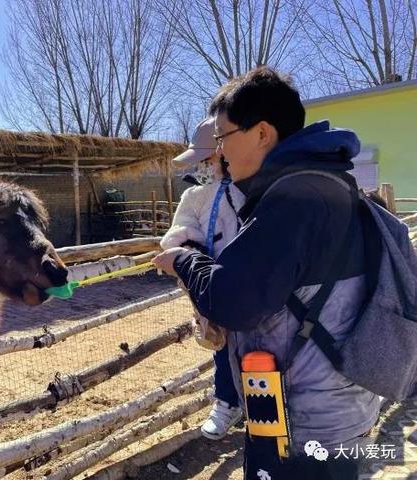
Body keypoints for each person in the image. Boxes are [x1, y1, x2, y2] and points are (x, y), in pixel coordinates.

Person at [152, 67, 380, 479]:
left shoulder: (294, 200)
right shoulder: (329, 185)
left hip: (307, 426)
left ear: (261, 133)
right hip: (338, 408)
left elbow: (234, 301)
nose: (218, 152)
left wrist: (182, 260)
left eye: (222, 138)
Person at [160, 117, 244, 440]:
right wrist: (189, 254)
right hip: (215, 284)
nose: (206, 166)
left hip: (251, 281)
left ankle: (259, 409)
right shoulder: (195, 198)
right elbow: (177, 235)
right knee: (221, 344)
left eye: (208, 159)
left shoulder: (249, 190)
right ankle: (225, 402)